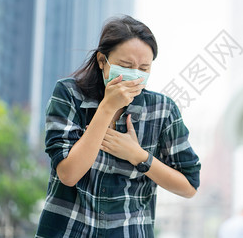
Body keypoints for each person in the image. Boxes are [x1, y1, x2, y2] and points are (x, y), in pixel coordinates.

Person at [35, 16, 201, 237]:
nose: (135, 73)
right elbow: (68, 174)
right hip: (68, 230)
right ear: (102, 61)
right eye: (125, 65)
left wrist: (139, 156)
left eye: (144, 68)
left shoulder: (163, 110)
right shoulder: (69, 94)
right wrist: (106, 109)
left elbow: (189, 186)